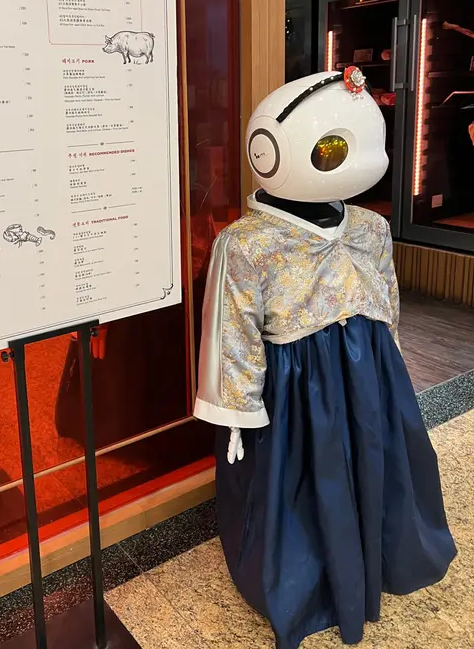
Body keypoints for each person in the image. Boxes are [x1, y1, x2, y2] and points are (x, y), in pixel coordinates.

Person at [193, 68, 456, 649]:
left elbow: (386, 297)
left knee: (375, 459)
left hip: (368, 372)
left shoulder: (370, 227)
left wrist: (390, 361)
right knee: (305, 477)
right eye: (336, 147)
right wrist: (237, 409)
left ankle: (380, 551)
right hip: (296, 385)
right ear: (269, 151)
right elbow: (232, 329)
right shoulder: (248, 242)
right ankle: (311, 576)